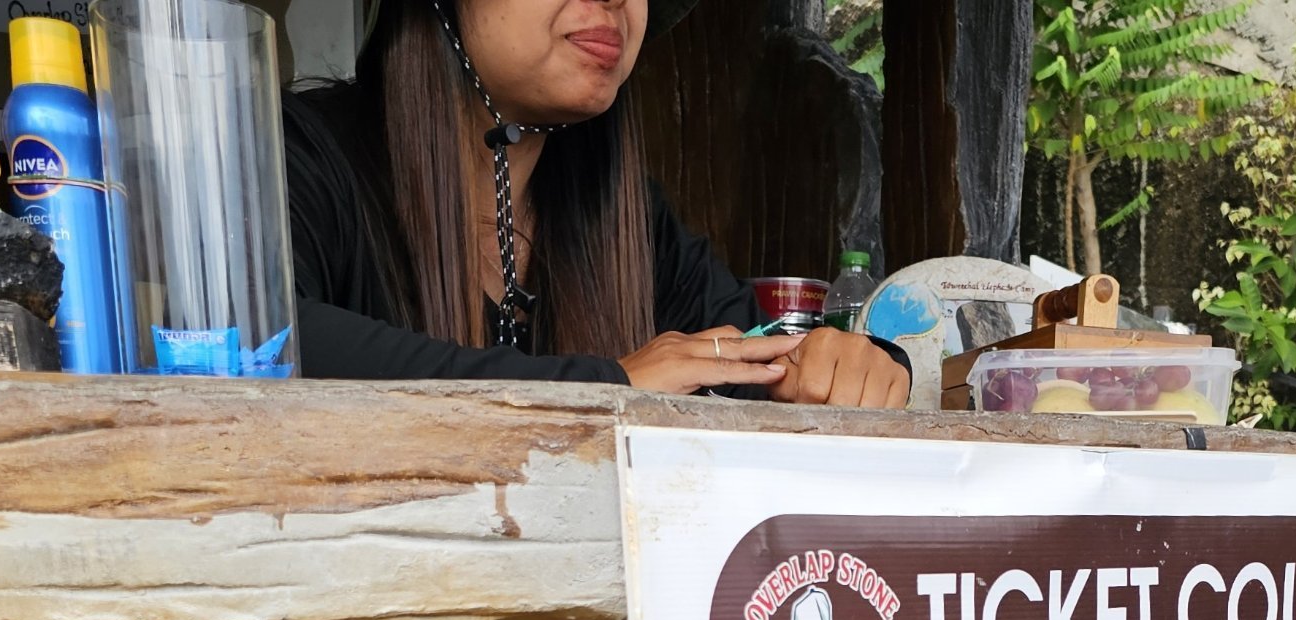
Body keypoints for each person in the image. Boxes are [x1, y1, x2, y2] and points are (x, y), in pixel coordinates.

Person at [282, 0, 909, 406]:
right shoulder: (297, 154)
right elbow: (266, 344)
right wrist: (609, 386)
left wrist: (854, 365)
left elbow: (760, 348)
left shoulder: (627, 220)